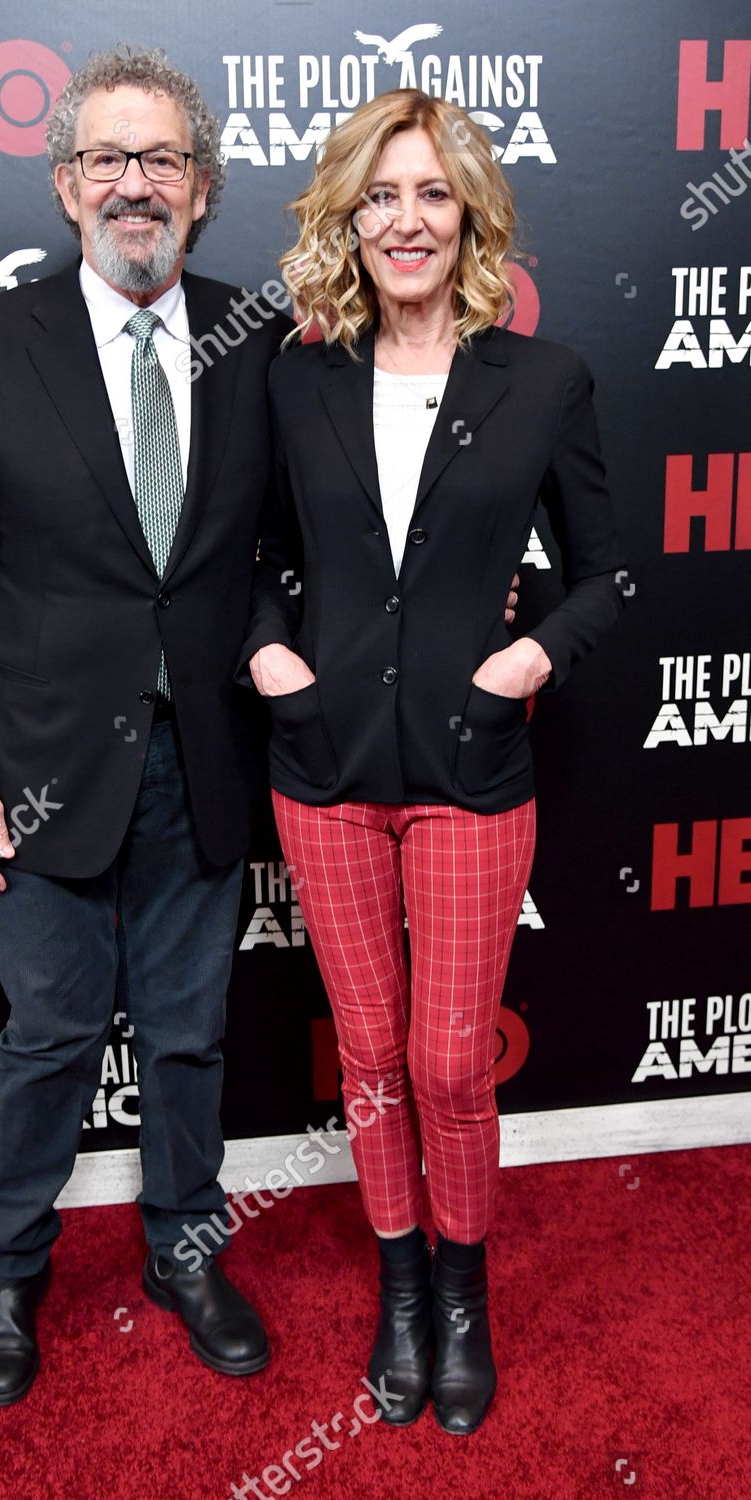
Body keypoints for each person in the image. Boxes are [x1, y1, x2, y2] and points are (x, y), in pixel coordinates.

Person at [0, 45, 290, 1406]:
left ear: (202, 187)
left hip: (204, 762)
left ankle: (187, 1249)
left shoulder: (260, 340)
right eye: (108, 159)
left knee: (188, 1035)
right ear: (66, 186)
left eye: (163, 159)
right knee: (52, 1038)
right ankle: (10, 1268)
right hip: (41, 771)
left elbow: (286, 552)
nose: (137, 184)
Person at [241, 88, 627, 1435]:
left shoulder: (546, 380)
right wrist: (268, 654)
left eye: (432, 193)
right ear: (349, 217)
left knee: (451, 1063)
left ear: (469, 215)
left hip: (472, 773)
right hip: (324, 772)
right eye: (381, 195)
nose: (406, 220)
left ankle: (462, 1295)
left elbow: (606, 576)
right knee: (367, 1055)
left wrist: (527, 661)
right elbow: (253, 555)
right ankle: (400, 1287)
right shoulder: (295, 377)